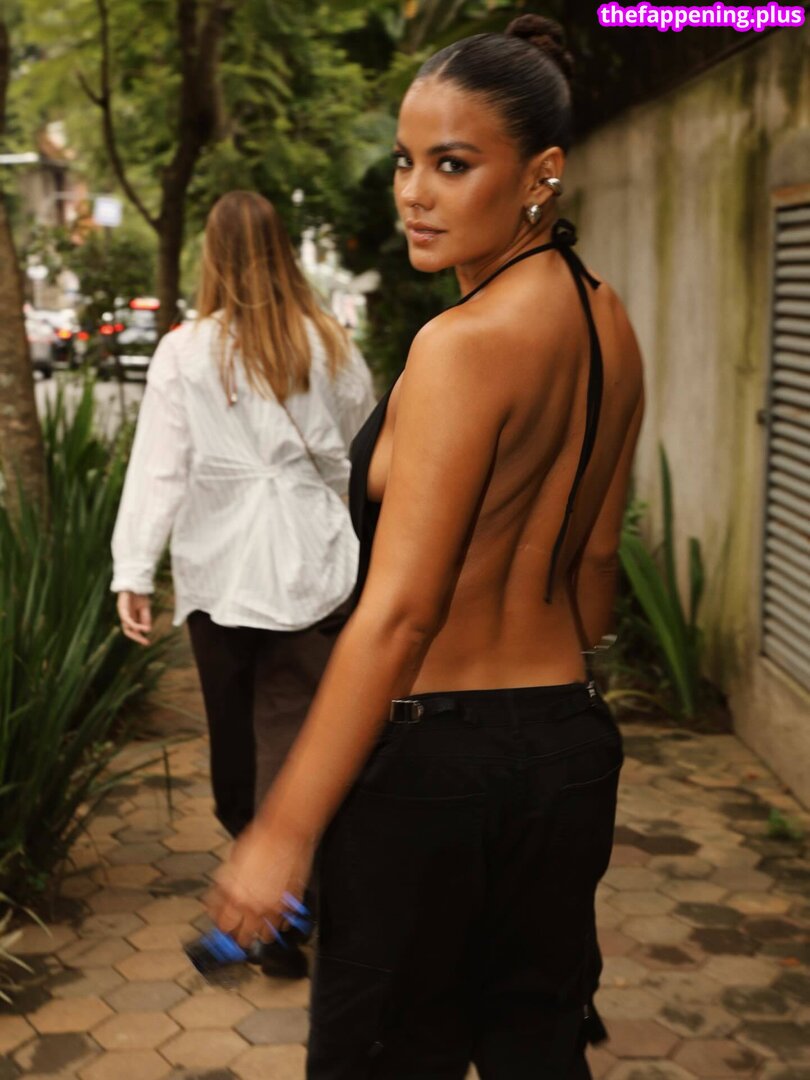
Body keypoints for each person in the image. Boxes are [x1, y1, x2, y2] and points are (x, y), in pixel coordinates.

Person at [211, 15, 645, 1078]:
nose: (414, 193)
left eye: (453, 165)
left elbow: (401, 614)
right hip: (568, 754)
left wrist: (283, 830)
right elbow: (596, 570)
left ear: (540, 174)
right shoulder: (608, 321)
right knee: (538, 1044)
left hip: (434, 774)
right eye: (407, 162)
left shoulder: (460, 346)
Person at [111, 190, 375, 978]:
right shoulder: (328, 342)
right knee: (297, 741)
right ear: (283, 251)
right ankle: (290, 906)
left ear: (212, 256)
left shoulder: (184, 351)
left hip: (220, 571)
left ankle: (271, 910)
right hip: (312, 565)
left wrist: (134, 570)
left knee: (235, 750)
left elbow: (160, 468)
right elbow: (365, 453)